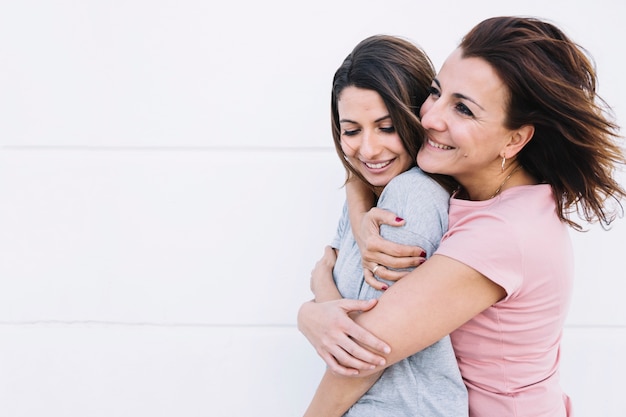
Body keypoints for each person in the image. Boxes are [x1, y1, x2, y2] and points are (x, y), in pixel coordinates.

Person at [298, 16, 626, 417]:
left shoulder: (502, 233)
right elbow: (370, 171)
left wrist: (313, 308)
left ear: (515, 138)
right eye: (436, 92)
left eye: (464, 109)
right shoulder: (489, 194)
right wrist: (359, 206)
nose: (431, 118)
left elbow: (363, 349)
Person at [301, 35, 468, 416]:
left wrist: (317, 297)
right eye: (352, 130)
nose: (369, 150)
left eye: (387, 127)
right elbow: (356, 316)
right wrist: (312, 311)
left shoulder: (412, 197)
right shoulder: (371, 192)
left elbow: (365, 348)